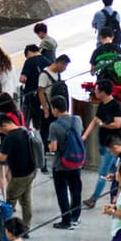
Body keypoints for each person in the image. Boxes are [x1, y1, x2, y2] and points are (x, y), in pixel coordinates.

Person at [47, 95, 85, 229]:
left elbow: (53, 147)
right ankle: (76, 216)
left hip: (61, 164)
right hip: (76, 161)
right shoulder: (77, 120)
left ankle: (66, 220)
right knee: (76, 190)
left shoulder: (54, 125)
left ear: (56, 109)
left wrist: (49, 146)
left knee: (62, 192)